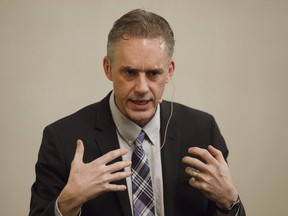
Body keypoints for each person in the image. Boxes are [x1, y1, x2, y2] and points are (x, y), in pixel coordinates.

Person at [29, 9, 246, 216]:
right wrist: (67, 204)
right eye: (130, 72)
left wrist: (230, 202)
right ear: (108, 68)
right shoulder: (61, 139)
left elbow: (226, 208)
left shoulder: (202, 130)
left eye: (153, 73)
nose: (142, 88)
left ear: (169, 72)